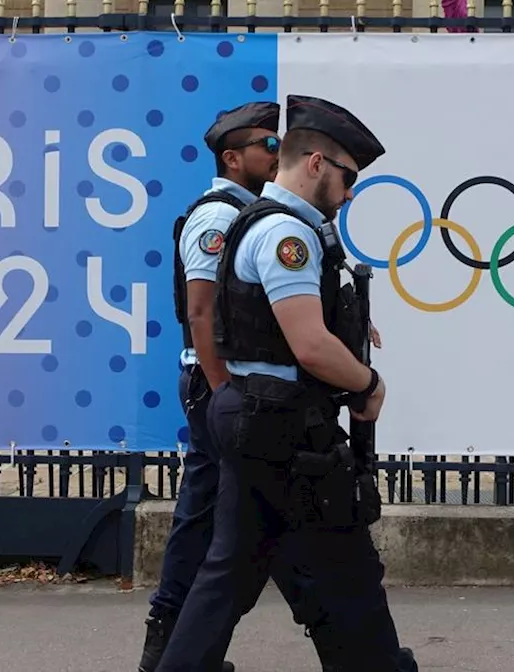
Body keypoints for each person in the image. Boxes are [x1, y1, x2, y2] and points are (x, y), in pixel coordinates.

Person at [154, 94, 417, 672]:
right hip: (281, 424)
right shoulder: (284, 236)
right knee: (344, 564)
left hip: (263, 419)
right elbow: (310, 346)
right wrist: (370, 385)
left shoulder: (276, 225)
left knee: (232, 568)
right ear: (318, 162)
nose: (350, 194)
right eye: (348, 177)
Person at [139, 101, 350, 672]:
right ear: (234, 159)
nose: (273, 151)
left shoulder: (261, 215)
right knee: (218, 523)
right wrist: (224, 389)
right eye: (263, 144)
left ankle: (178, 653)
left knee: (242, 525)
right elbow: (202, 314)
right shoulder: (218, 217)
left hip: (240, 393)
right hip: (224, 389)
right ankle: (167, 647)